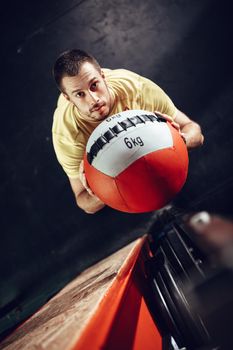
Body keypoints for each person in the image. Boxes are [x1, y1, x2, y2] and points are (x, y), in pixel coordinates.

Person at [52, 49, 204, 214]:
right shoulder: (67, 135)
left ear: (103, 77)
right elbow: (84, 202)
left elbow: (195, 132)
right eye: (80, 94)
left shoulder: (137, 90)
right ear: (68, 98)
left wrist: (177, 141)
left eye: (94, 85)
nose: (93, 99)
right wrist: (98, 192)